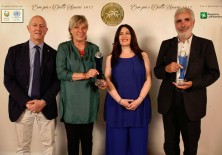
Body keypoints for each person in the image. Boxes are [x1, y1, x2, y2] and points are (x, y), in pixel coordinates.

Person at [154, 8, 220, 155]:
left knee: (191, 146)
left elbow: (214, 73)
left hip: (192, 102)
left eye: (186, 19)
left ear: (193, 22)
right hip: (169, 101)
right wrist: (166, 68)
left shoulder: (206, 45)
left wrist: (193, 83)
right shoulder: (166, 44)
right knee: (170, 145)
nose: (183, 24)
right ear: (175, 24)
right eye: (179, 21)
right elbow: (157, 71)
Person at [4, 15, 60, 155]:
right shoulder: (14, 51)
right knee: (22, 148)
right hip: (22, 106)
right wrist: (25, 102)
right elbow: (8, 80)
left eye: (42, 26)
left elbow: (58, 81)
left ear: (46, 30)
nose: (38, 28)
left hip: (45, 106)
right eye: (35, 25)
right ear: (28, 28)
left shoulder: (54, 54)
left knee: (49, 146)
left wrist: (43, 101)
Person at [56, 15, 106, 155]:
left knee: (87, 141)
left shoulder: (95, 48)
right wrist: (85, 75)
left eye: (83, 27)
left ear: (87, 29)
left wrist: (102, 82)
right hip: (71, 103)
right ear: (70, 30)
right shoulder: (63, 48)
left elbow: (98, 73)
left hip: (89, 101)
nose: (80, 30)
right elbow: (61, 73)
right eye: (76, 27)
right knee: (72, 142)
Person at [104, 24, 151, 155]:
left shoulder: (143, 55)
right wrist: (120, 101)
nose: (124, 36)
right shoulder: (110, 58)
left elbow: (148, 79)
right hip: (116, 107)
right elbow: (107, 80)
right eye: (121, 34)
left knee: (138, 147)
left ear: (132, 36)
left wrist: (139, 100)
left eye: (127, 33)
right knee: (117, 148)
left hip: (139, 106)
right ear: (117, 38)